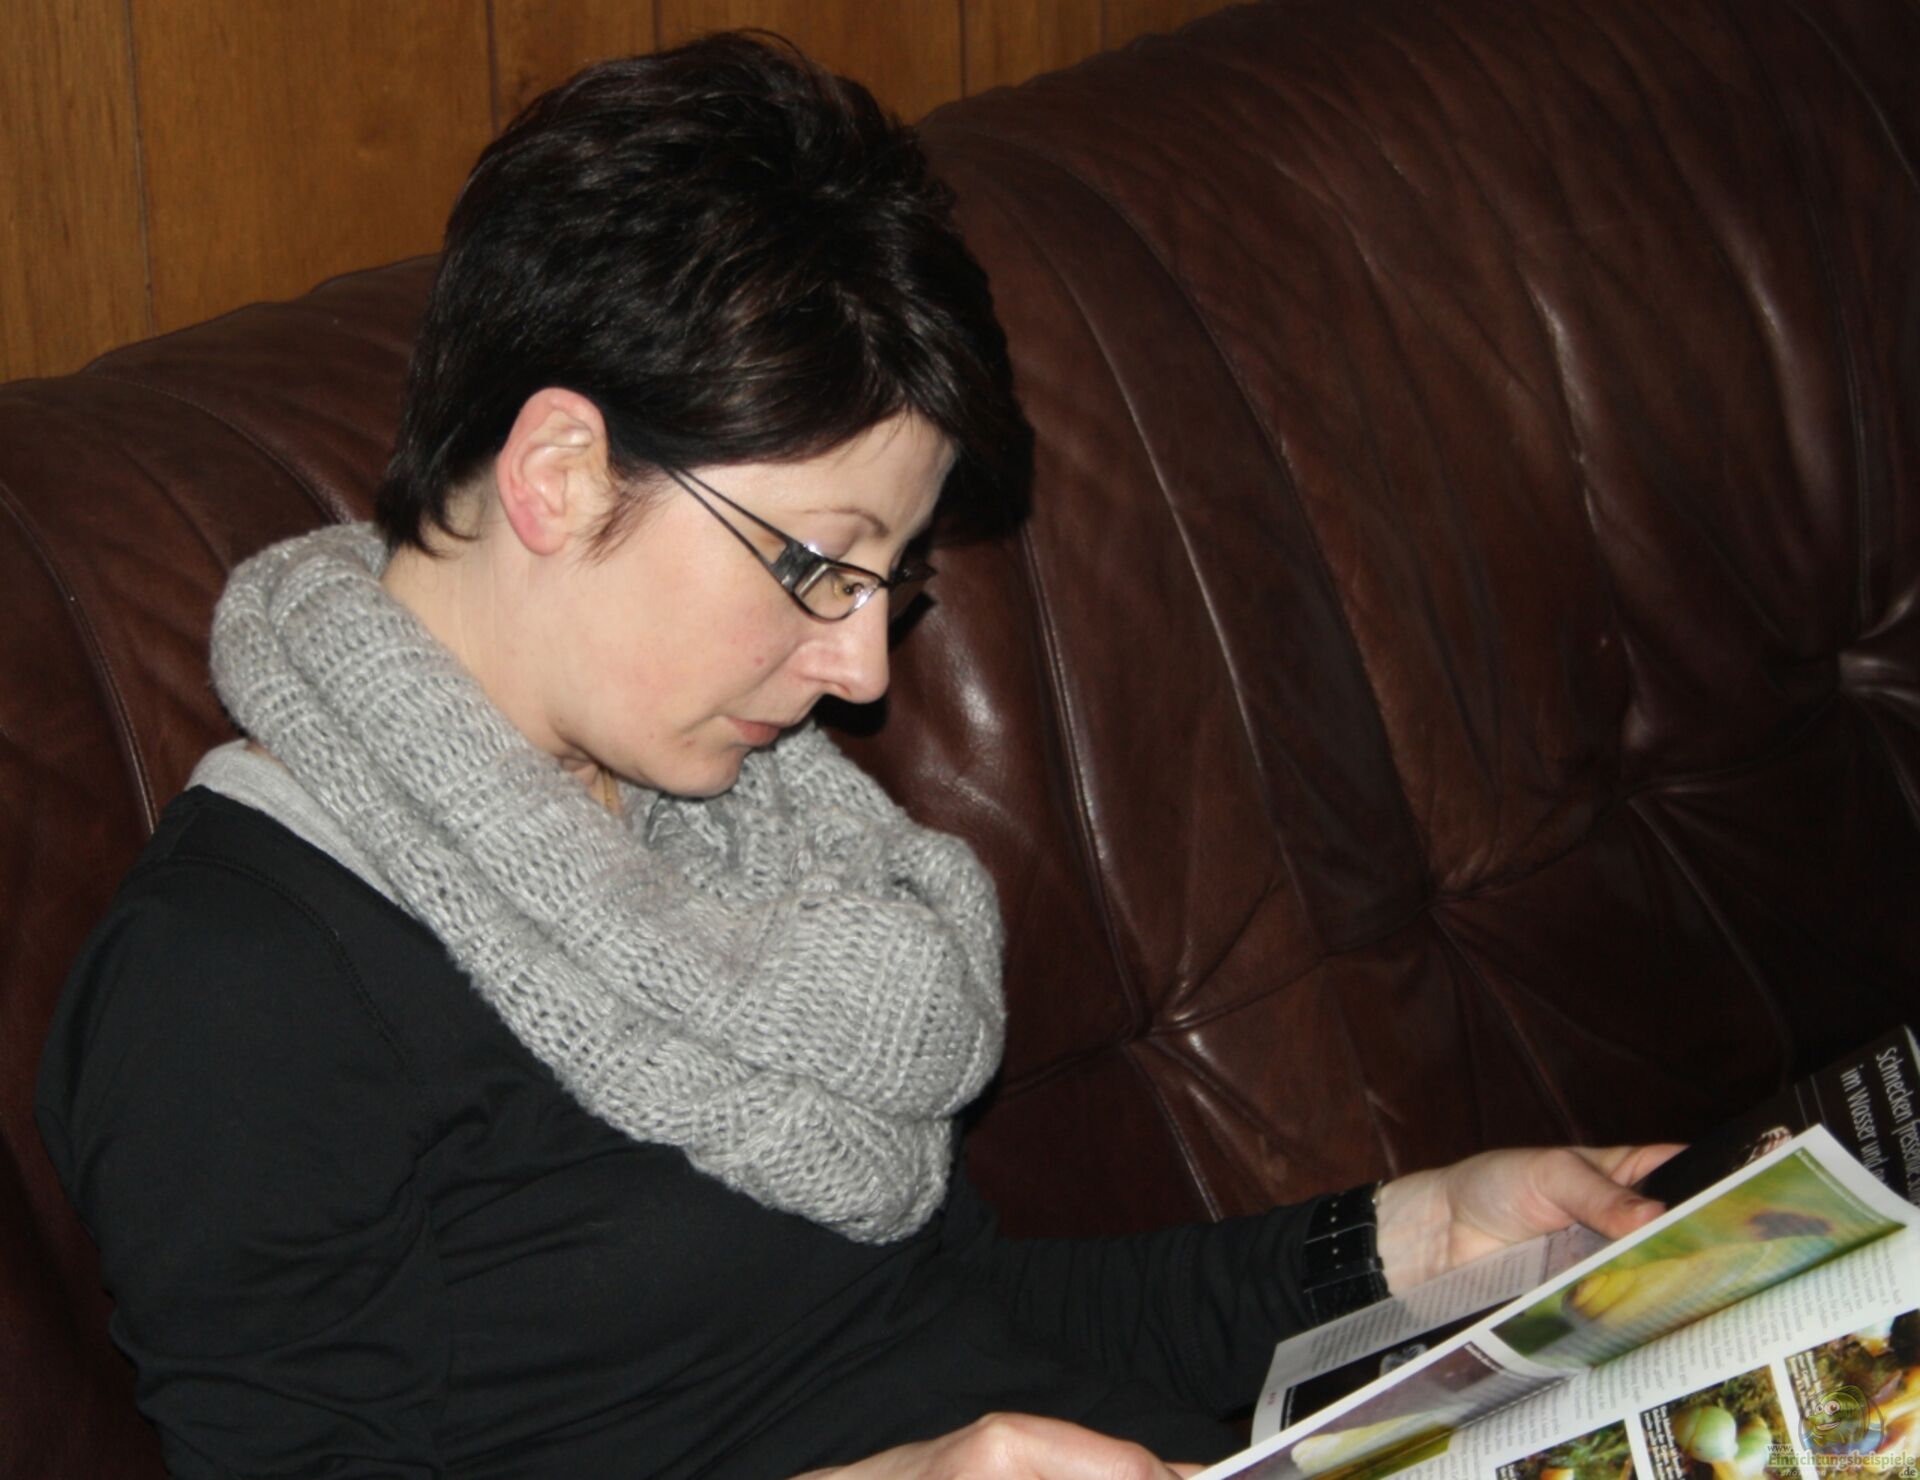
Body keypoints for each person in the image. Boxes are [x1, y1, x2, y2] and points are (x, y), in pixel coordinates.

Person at [34, 33, 1676, 1480]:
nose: (865, 669)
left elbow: (974, 1326)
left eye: (893, 587)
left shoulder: (727, 832)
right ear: (559, 474)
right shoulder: (237, 979)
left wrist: (1416, 1245)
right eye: (821, 566)